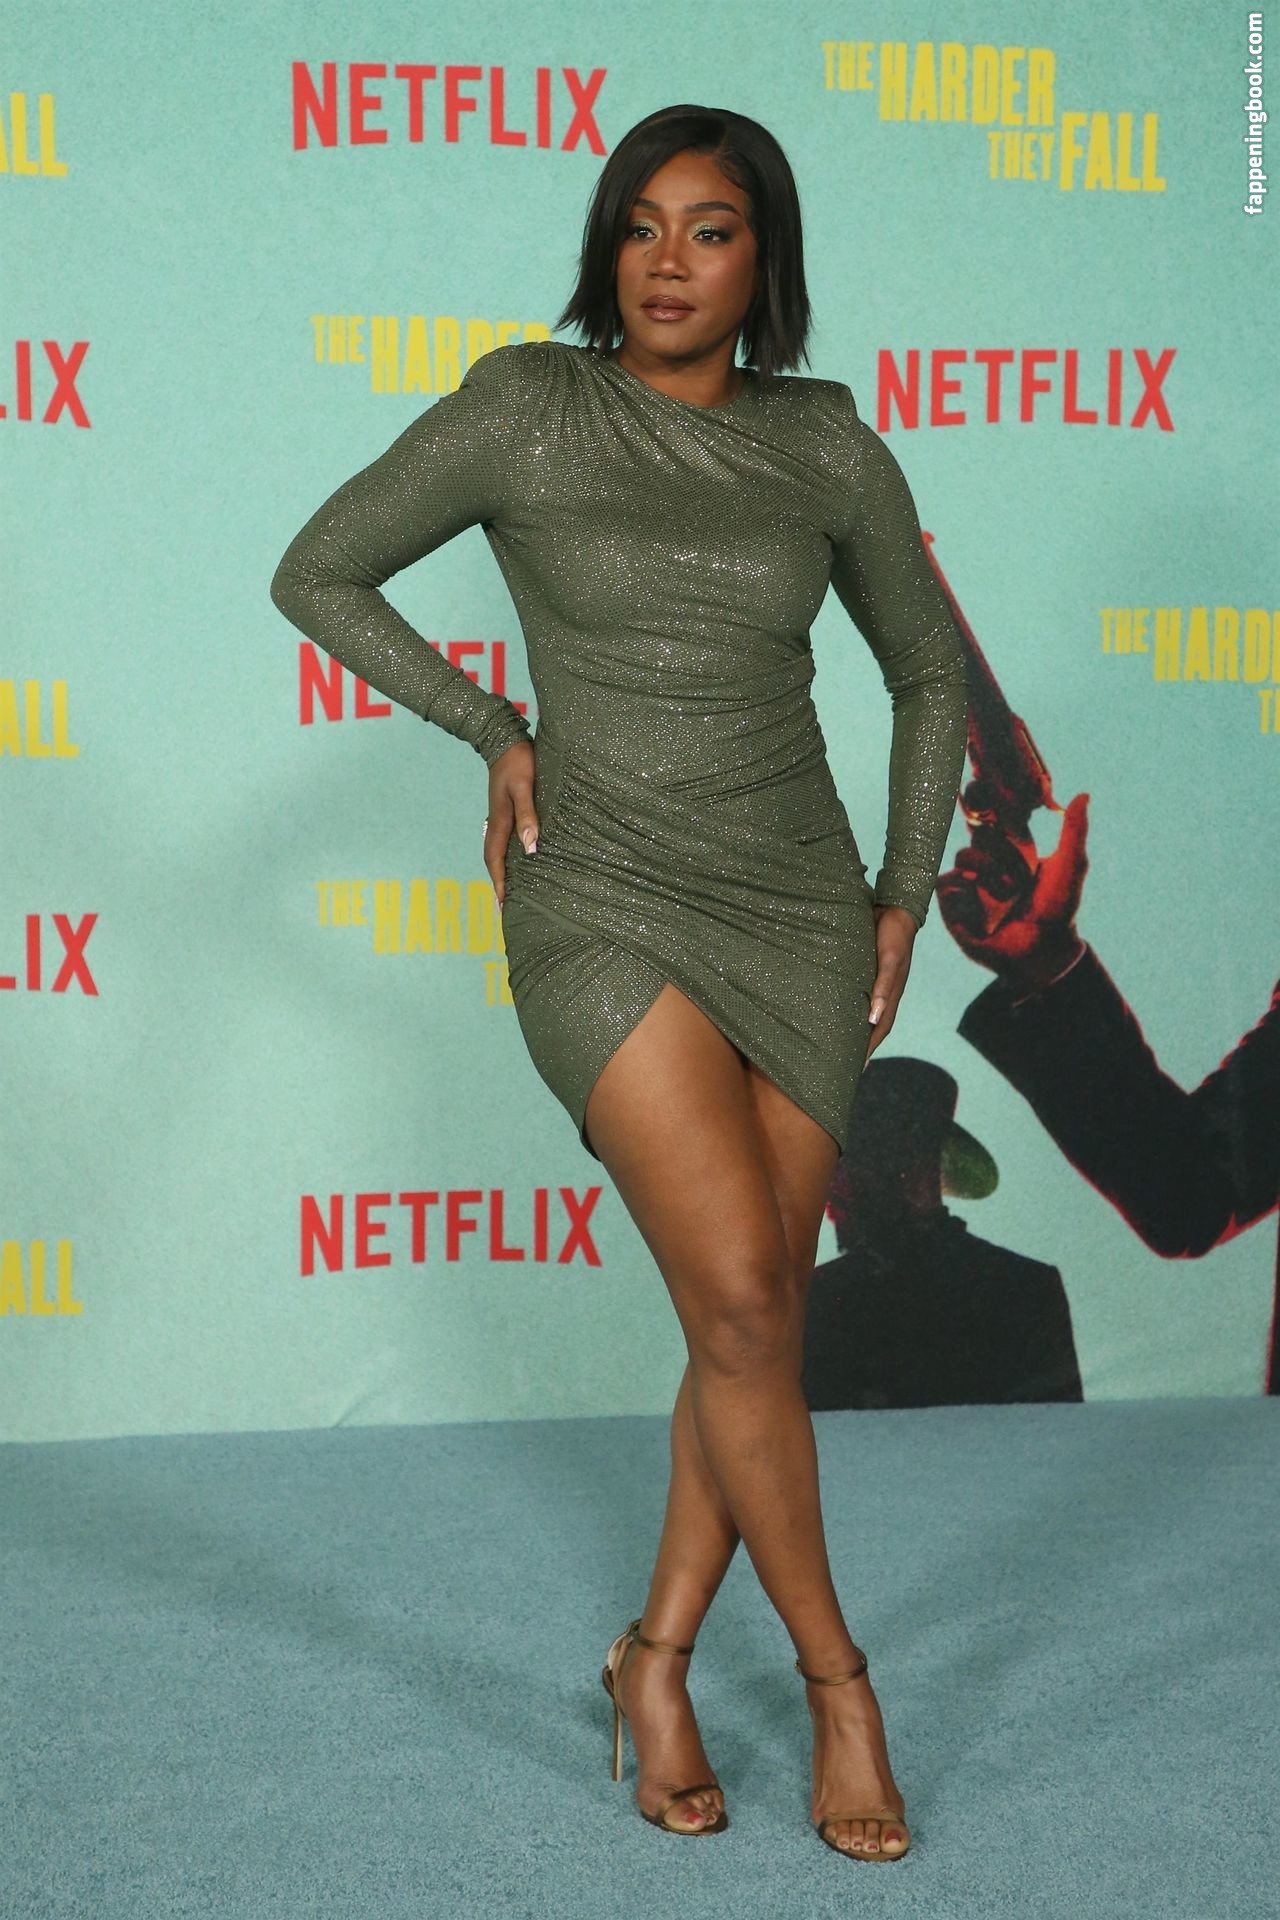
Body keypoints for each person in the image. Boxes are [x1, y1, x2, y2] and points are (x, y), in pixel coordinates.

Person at [270, 103, 969, 1862]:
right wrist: (491, 725)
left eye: (710, 229)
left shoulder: (825, 444)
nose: (668, 261)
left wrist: (902, 894)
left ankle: (652, 1663)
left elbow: (929, 676)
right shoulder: (529, 405)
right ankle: (841, 1687)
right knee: (739, 1298)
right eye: (641, 224)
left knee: (752, 1325)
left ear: (762, 260)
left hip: (799, 907)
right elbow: (318, 568)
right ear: (606, 247)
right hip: (597, 897)